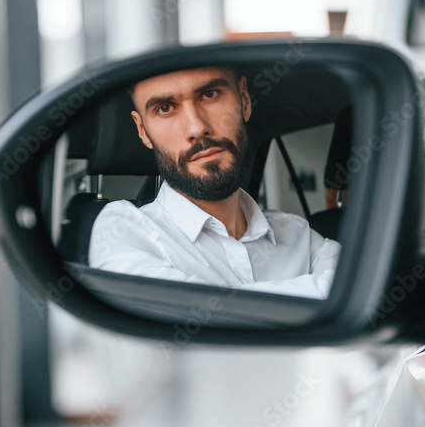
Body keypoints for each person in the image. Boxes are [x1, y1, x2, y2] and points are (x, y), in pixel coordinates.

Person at [87, 66, 340, 300]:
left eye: (209, 94)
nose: (197, 128)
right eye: (165, 108)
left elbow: (369, 289)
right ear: (143, 130)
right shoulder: (126, 230)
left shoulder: (298, 235)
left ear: (244, 99)